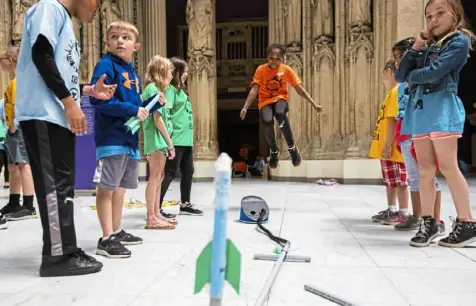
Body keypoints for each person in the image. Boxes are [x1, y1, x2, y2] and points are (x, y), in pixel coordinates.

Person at [14, 0, 116, 277]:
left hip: (56, 115)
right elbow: (40, 54)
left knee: (63, 185)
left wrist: (86, 91)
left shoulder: (65, 21)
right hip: (43, 113)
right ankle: (57, 257)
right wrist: (70, 103)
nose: (98, 10)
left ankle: (67, 249)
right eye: (97, 2)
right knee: (53, 186)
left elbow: (55, 67)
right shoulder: (49, 7)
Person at [395, 0, 476, 248]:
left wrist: (413, 76)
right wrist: (417, 46)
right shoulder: (426, 46)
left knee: (449, 166)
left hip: (441, 107)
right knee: (425, 170)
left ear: (456, 14)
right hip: (420, 111)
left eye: (440, 13)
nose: (434, 20)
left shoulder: (459, 40)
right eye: (429, 15)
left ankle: (467, 223)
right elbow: (400, 76)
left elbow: (437, 71)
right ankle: (429, 222)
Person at [90, 21, 147, 258]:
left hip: (129, 139)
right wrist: (131, 110)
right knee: (107, 187)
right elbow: (98, 99)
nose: (120, 41)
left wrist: (148, 106)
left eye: (125, 37)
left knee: (121, 188)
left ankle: (116, 229)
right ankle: (105, 238)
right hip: (112, 138)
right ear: (107, 43)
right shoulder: (106, 65)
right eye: (114, 37)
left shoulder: (133, 72)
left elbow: (137, 104)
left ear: (136, 46)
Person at [391, 38, 445, 235]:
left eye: (400, 57)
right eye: (395, 58)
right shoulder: (401, 85)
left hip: (420, 130)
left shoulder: (421, 79)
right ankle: (417, 216)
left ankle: (436, 221)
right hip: (405, 130)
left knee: (428, 177)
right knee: (413, 178)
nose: (398, 62)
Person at [240, 43, 323, 169]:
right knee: (267, 121)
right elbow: (254, 90)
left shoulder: (286, 70)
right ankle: (274, 151)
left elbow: (299, 89)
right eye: (271, 57)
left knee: (280, 114)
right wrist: (245, 107)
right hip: (265, 101)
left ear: (282, 58)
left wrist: (314, 104)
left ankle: (292, 148)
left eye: (278, 58)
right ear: (267, 57)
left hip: (280, 99)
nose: (274, 61)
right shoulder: (261, 70)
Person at [159, 57, 204, 217]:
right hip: (175, 139)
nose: (186, 75)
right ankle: (156, 207)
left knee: (189, 171)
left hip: (186, 139)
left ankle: (185, 204)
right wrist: (168, 139)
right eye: (184, 71)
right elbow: (166, 113)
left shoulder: (182, 92)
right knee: (170, 172)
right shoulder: (170, 91)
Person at [369, 60, 409, 224]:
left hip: (393, 148)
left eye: (384, 73)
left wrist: (387, 145)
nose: (383, 78)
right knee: (390, 181)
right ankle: (392, 209)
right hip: (387, 148)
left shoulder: (396, 92)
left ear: (389, 71)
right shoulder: (390, 93)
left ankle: (404, 212)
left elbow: (393, 120)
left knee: (400, 181)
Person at [0, 45, 36, 222]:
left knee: (23, 164)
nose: (1, 63)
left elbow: (18, 106)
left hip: (18, 128)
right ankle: (14, 201)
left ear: (11, 61)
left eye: (2, 59)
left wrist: (13, 126)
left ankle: (29, 205)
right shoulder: (14, 81)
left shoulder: (18, 82)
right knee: (13, 166)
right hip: (12, 128)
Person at [142, 55, 177, 229]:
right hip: (156, 139)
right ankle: (151, 217)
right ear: (161, 72)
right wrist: (171, 144)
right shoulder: (151, 90)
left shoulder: (158, 90)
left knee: (159, 177)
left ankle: (156, 214)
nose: (171, 76)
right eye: (169, 72)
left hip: (160, 140)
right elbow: (158, 119)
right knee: (155, 178)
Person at [0, 98, 9, 189]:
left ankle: (7, 181)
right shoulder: (3, 102)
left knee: (9, 163)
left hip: (12, 137)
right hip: (1, 137)